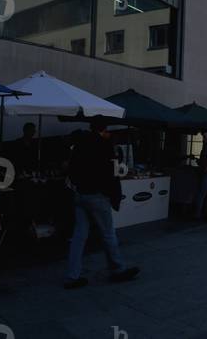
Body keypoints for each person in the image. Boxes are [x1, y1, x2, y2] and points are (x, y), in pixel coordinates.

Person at [64, 123, 139, 289]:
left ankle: (72, 276)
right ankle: (118, 269)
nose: (110, 136)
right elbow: (112, 174)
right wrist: (113, 196)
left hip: (80, 194)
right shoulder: (104, 146)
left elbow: (71, 170)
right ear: (103, 131)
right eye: (108, 132)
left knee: (78, 236)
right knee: (108, 233)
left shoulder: (79, 145)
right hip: (97, 195)